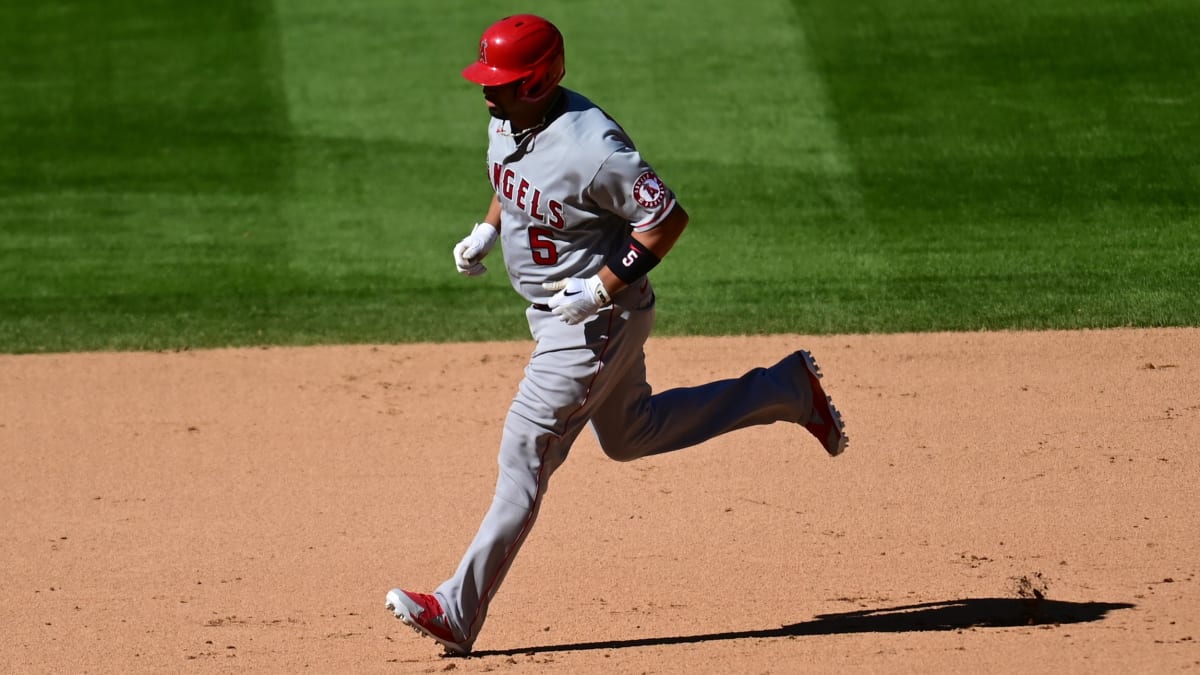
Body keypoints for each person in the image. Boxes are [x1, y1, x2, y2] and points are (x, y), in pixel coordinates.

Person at [385, 14, 848, 656]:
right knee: (633, 434)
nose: (488, 92)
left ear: (541, 80)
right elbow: (509, 178)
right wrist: (487, 229)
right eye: (487, 80)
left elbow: (665, 219)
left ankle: (456, 609)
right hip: (558, 314)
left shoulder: (594, 147)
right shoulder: (508, 117)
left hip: (595, 323)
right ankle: (787, 390)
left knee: (525, 453)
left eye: (504, 82)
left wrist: (601, 287)